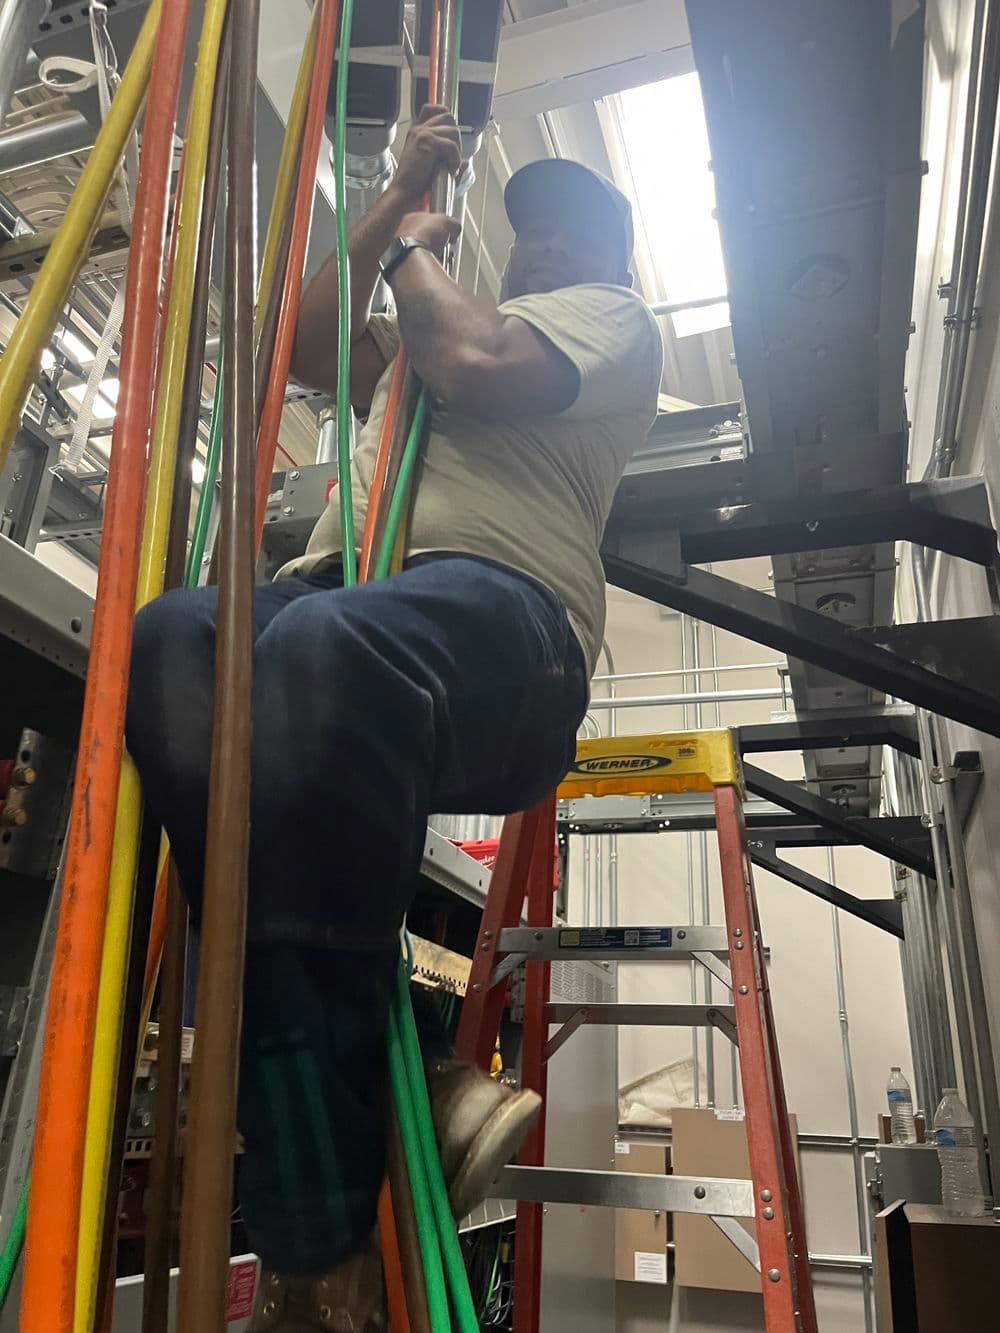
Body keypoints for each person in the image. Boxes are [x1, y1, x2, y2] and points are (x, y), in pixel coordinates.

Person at [127, 104, 663, 1330]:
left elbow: (475, 362)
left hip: (504, 637)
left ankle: (320, 1229)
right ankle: (378, 1121)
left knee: (321, 642)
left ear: (607, 259)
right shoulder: (416, 333)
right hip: (348, 621)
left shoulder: (606, 325)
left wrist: (425, 250)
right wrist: (396, 199)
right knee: (178, 639)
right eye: (524, 236)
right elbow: (300, 339)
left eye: (564, 235)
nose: (535, 250)